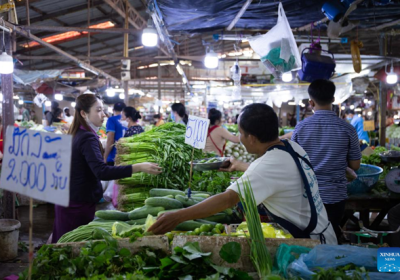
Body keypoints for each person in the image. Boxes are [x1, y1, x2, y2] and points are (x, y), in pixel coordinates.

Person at [149, 103, 337, 245]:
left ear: (252, 138)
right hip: (323, 232)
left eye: (240, 133)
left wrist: (178, 216)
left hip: (311, 244)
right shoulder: (292, 147)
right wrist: (240, 165)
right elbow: (277, 176)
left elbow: (227, 200)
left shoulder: (266, 165)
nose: (238, 138)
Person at [51, 94, 162, 243]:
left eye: (103, 110)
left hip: (68, 200)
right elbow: (102, 171)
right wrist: (139, 167)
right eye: (98, 110)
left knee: (61, 243)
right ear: (84, 113)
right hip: (76, 204)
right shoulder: (87, 137)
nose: (103, 114)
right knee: (69, 248)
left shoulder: (76, 133)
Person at [291, 79, 361, 243]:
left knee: (309, 239)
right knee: (330, 237)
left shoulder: (301, 127)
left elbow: (294, 161)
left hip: (307, 195)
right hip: (335, 196)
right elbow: (355, 165)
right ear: (333, 100)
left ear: (311, 102)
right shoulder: (347, 128)